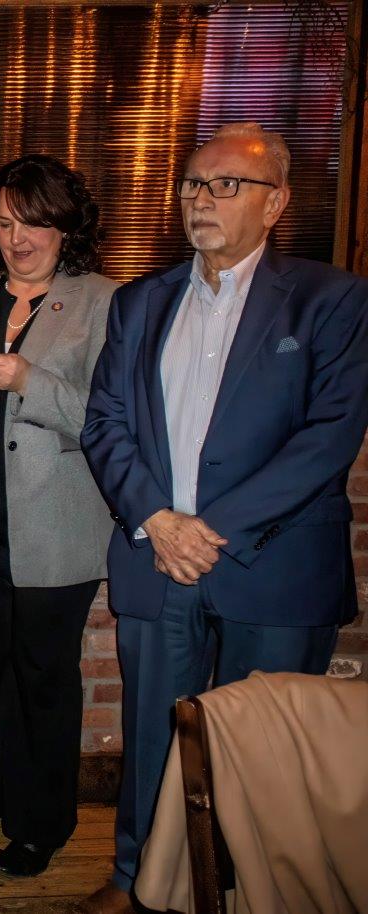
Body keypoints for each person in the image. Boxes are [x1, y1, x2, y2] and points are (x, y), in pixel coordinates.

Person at [79, 121, 368, 914]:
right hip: (157, 556)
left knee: (263, 748)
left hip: (270, 566)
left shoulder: (332, 299)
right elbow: (105, 421)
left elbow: (328, 436)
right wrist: (158, 521)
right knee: (154, 737)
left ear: (275, 203)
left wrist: (210, 531)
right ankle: (140, 878)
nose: (200, 201)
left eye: (224, 185)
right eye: (191, 186)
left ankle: (247, 891)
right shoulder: (141, 301)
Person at [0, 155, 116, 878]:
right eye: (6, 222)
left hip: (54, 531)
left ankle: (41, 824)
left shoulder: (103, 301)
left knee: (42, 680)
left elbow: (107, 417)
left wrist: (28, 379)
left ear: (66, 226)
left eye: (34, 221)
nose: (19, 237)